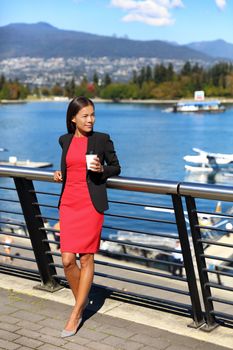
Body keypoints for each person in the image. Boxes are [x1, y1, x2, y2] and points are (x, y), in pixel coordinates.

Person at [54, 96, 121, 338]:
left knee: (86, 258)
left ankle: (75, 313)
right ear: (73, 118)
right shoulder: (65, 140)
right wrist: (59, 172)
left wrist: (102, 169)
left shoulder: (101, 139)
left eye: (92, 115)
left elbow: (116, 166)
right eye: (85, 115)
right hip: (69, 204)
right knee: (67, 260)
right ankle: (81, 301)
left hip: (91, 205)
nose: (90, 119)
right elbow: (69, 164)